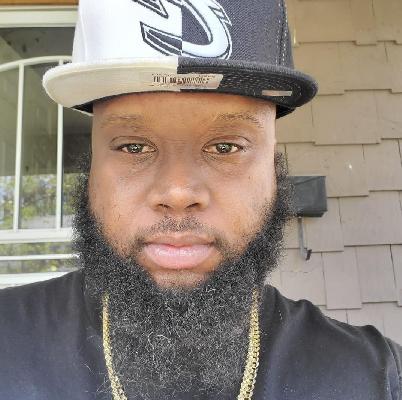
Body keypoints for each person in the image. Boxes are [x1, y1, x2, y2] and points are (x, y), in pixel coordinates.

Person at [0, 0, 401, 399]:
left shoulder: (377, 378)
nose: (177, 193)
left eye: (226, 147)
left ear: (274, 169)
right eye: (133, 147)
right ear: (91, 171)